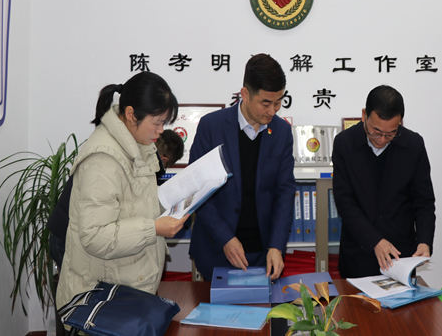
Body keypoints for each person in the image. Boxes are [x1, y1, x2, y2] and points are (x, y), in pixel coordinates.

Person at [55, 71, 189, 308]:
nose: (161, 131)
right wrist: (154, 228)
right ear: (130, 114)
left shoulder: (140, 145)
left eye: (164, 123)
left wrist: (175, 202)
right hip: (102, 299)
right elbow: (95, 236)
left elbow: (136, 203)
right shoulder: (103, 159)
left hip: (126, 288)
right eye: (157, 123)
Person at [188, 53, 295, 281]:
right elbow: (197, 189)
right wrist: (225, 238)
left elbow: (284, 192)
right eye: (266, 103)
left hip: (263, 251)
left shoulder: (282, 132)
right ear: (245, 94)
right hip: (217, 248)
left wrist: (276, 245)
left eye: (278, 102)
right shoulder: (211, 127)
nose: (273, 110)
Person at [332, 85, 436, 278]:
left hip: (400, 257)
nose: (381, 140)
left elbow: (424, 201)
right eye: (376, 131)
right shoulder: (345, 143)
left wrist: (424, 241)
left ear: (400, 122)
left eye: (390, 134)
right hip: (358, 254)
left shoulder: (413, 145)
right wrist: (375, 241)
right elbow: (345, 202)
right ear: (364, 115)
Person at [48, 129, 185, 268]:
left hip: (67, 230)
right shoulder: (139, 163)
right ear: (164, 159)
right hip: (71, 238)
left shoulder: (128, 150)